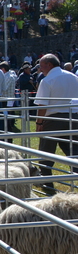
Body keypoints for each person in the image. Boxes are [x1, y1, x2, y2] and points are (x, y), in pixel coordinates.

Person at [34, 53, 78, 194]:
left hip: (53, 120)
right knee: (74, 151)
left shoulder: (47, 81)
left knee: (46, 153)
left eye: (41, 66)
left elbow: (42, 104)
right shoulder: (74, 77)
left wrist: (39, 122)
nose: (40, 69)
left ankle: (48, 187)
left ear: (49, 65)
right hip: (74, 118)